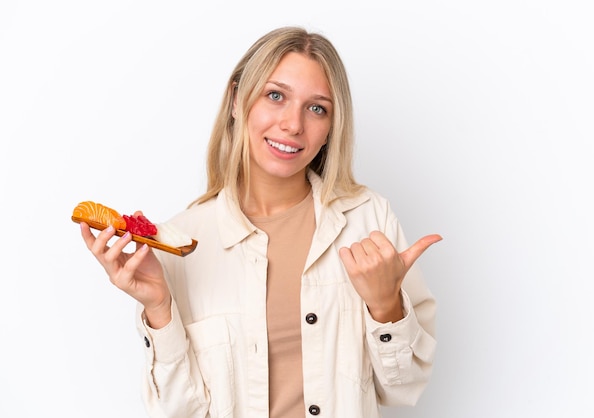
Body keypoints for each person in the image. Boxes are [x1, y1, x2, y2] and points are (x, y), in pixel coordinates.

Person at [79, 26, 442, 418]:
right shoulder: (180, 244)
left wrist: (386, 305)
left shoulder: (369, 219)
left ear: (332, 127)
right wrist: (160, 308)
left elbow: (404, 389)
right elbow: (180, 410)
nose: (293, 124)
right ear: (237, 100)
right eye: (275, 96)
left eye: (317, 107)